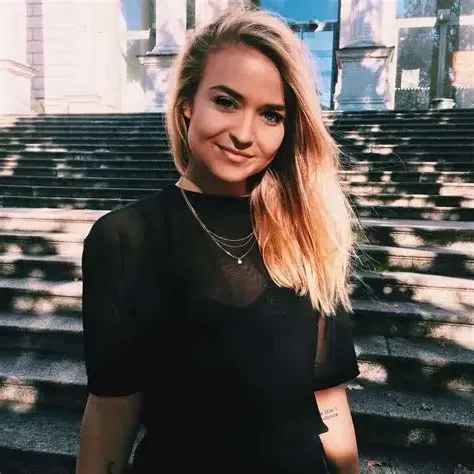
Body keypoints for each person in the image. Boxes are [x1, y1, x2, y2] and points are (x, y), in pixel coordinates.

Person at [75, 6, 361, 474]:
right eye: (226, 101)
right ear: (187, 102)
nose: (245, 134)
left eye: (270, 115)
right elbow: (112, 409)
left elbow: (327, 393)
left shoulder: (307, 229)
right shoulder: (126, 238)